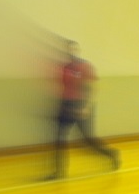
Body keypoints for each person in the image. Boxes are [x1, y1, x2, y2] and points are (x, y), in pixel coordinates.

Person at [44, 39, 120, 179]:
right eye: (67, 50)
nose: (70, 52)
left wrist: (86, 106)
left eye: (73, 49)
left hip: (81, 105)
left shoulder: (85, 66)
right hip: (66, 105)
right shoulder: (64, 68)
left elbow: (92, 88)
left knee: (87, 141)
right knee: (59, 139)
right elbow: (61, 86)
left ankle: (111, 154)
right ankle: (59, 172)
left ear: (77, 51)